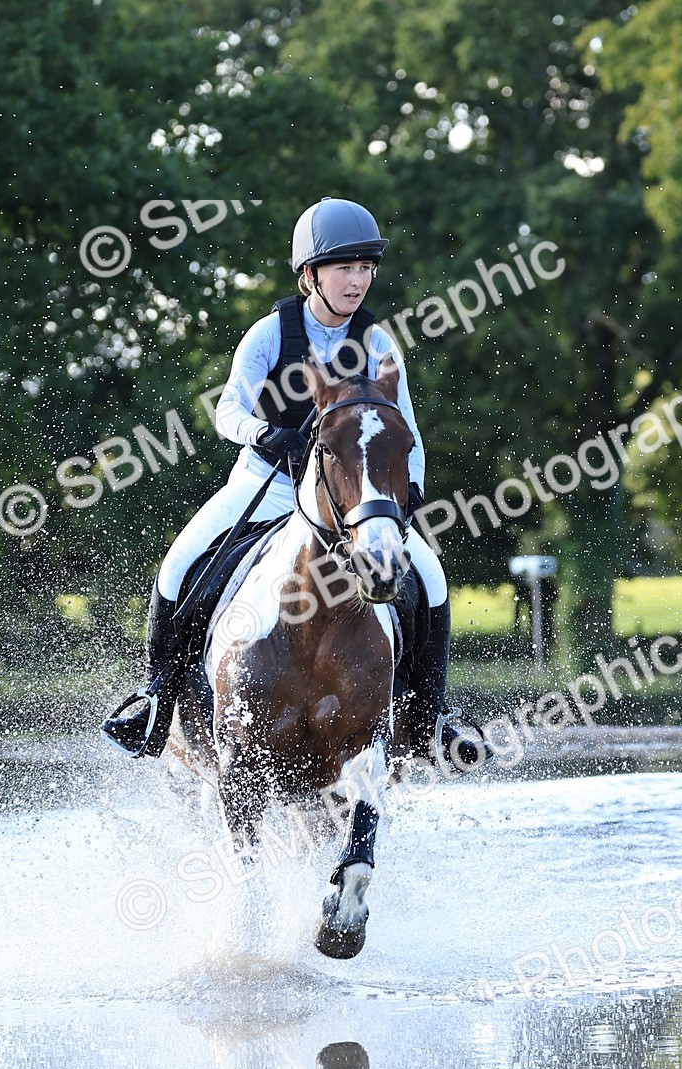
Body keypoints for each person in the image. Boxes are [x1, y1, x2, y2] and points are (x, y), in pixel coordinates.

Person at [102, 197, 487, 766]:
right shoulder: (269, 333)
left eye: (365, 268)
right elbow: (226, 408)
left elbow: (405, 430)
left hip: (352, 501)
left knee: (428, 576)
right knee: (180, 565)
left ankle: (432, 716)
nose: (358, 281)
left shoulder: (379, 344)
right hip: (270, 484)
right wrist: (261, 434)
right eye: (344, 268)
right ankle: (157, 697)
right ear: (310, 275)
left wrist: (407, 498)